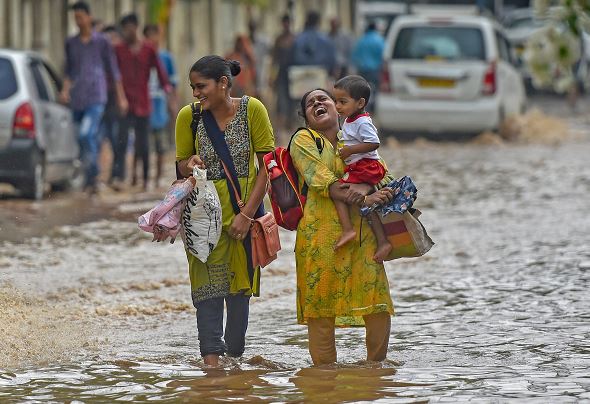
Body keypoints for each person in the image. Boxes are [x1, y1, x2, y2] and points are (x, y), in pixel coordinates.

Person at [175, 56, 275, 367]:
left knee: (238, 293)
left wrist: (247, 217)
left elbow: (268, 167)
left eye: (201, 86)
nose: (195, 93)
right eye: (192, 87)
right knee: (206, 289)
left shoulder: (252, 110)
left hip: (244, 212)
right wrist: (188, 163)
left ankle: (233, 360)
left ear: (223, 83)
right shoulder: (187, 117)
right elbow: (180, 164)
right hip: (202, 216)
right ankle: (212, 366)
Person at [290, 88, 395, 366]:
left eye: (323, 98)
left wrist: (387, 191)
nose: (317, 103)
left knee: (378, 303)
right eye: (310, 103)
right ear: (306, 118)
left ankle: (376, 371)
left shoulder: (357, 136)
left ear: (339, 108)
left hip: (363, 233)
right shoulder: (303, 140)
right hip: (321, 237)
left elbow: (382, 171)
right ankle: (324, 377)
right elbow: (321, 180)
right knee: (321, 310)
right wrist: (365, 196)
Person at [60, 1, 127, 195]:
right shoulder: (71, 43)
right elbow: (69, 71)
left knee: (85, 134)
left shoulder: (102, 42)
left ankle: (94, 174)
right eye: (75, 18)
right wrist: (65, 91)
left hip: (97, 97)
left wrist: (121, 98)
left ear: (89, 17)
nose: (78, 21)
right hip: (77, 98)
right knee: (84, 140)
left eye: (80, 17)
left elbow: (114, 71)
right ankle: (89, 179)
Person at [332, 75, 391, 263]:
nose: (337, 106)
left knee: (342, 193)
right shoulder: (350, 120)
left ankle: (356, 232)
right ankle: (354, 230)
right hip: (358, 167)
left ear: (360, 103)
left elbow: (374, 143)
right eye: (336, 101)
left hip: (367, 168)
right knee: (342, 194)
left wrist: (350, 150)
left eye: (342, 102)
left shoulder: (362, 122)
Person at [113, 13, 171, 191]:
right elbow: (116, 76)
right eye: (124, 29)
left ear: (136, 27)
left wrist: (168, 93)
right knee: (121, 142)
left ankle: (145, 181)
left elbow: (161, 74)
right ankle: (120, 178)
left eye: (129, 28)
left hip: (144, 105)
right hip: (125, 104)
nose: (127, 32)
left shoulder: (149, 49)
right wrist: (119, 98)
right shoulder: (119, 50)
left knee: (143, 144)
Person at [144, 23, 178, 188]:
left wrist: (173, 104)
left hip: (160, 109)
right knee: (142, 146)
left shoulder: (166, 58)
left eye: (154, 35)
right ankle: (143, 179)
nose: (152, 40)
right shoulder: (141, 56)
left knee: (161, 147)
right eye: (149, 36)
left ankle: (157, 179)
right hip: (143, 109)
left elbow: (173, 85)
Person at [270, 14, 296, 143]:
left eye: (288, 22)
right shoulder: (279, 39)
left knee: (293, 102)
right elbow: (274, 61)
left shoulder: (295, 39)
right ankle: (279, 132)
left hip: (293, 75)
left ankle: (292, 128)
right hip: (281, 74)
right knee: (280, 102)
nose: (286, 25)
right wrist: (272, 76)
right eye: (284, 23)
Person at [351, 22, 385, 113]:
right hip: (375, 70)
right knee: (376, 90)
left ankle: (364, 107)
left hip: (363, 70)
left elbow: (354, 56)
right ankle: (374, 108)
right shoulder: (380, 40)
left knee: (363, 90)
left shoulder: (361, 40)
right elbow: (384, 55)